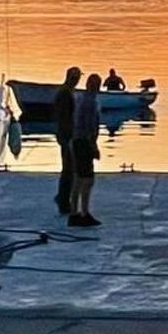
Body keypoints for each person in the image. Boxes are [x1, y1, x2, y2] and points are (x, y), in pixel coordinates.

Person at [69, 72, 103, 227]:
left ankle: (74, 213)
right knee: (87, 179)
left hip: (77, 141)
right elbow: (89, 128)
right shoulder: (90, 102)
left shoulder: (81, 99)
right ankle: (84, 213)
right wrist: (94, 147)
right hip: (84, 143)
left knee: (77, 178)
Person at [51, 65, 80, 217]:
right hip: (66, 136)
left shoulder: (66, 92)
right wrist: (69, 138)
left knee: (69, 168)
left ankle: (63, 197)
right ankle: (63, 200)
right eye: (76, 78)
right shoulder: (65, 94)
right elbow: (64, 118)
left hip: (66, 135)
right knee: (69, 169)